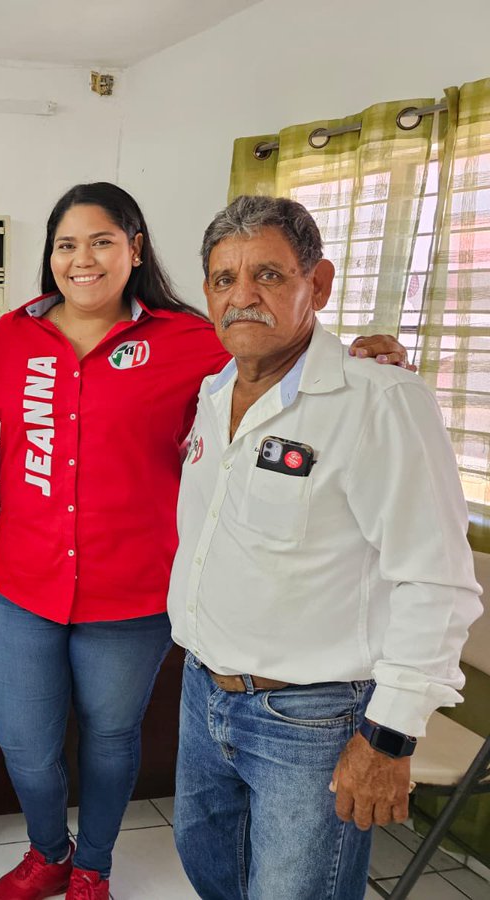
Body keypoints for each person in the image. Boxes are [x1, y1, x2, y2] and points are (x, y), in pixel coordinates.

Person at [0, 183, 410, 900]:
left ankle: (93, 867)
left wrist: (371, 354)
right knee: (24, 744)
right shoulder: (7, 339)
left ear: (135, 248)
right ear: (49, 256)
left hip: (134, 589)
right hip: (25, 583)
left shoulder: (190, 337)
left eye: (102, 241)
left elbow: (282, 353)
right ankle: (49, 851)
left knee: (113, 742)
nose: (82, 259)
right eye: (66, 244)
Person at [168, 194, 483, 900]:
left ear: (321, 283)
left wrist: (389, 737)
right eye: (224, 280)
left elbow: (437, 582)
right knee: (214, 875)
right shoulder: (215, 393)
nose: (243, 297)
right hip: (205, 695)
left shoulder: (379, 402)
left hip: (310, 723)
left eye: (269, 276)